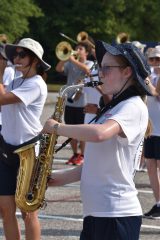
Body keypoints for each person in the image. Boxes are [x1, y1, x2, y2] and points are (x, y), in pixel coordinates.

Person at [42, 41, 151, 240]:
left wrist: (57, 128)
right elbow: (96, 166)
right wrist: (54, 177)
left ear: (127, 72)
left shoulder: (133, 106)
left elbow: (100, 134)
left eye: (107, 68)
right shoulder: (114, 107)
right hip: (97, 213)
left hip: (116, 215)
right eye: (100, 67)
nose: (100, 73)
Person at [0, 38, 51, 240]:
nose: (16, 58)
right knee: (5, 209)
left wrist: (0, 70)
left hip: (28, 151)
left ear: (35, 60)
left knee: (28, 212)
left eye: (22, 54)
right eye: (15, 54)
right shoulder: (16, 81)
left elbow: (3, 98)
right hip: (7, 149)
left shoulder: (36, 84)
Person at [55, 41, 94, 165]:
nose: (77, 50)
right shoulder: (71, 63)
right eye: (76, 48)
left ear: (86, 52)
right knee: (70, 129)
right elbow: (58, 68)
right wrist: (64, 57)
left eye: (80, 48)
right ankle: (75, 154)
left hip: (82, 102)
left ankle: (82, 154)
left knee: (82, 130)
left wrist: (72, 60)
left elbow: (87, 70)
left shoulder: (90, 63)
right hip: (69, 102)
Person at [143, 45, 160, 218]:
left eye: (158, 59)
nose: (155, 62)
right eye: (152, 59)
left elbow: (156, 93)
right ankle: (158, 203)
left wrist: (145, 78)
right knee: (151, 169)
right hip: (152, 130)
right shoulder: (152, 75)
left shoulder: (155, 77)